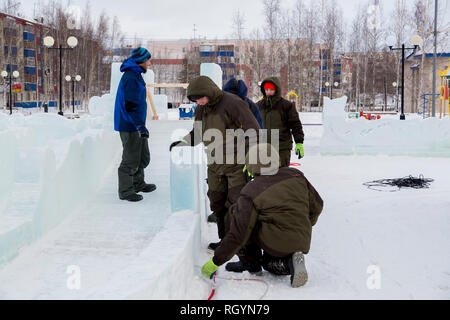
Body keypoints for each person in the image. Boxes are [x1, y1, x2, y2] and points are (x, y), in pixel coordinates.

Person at [201, 143, 323, 288]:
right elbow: (318, 205)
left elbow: (238, 234)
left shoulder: (252, 190)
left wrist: (215, 261)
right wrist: (306, 224)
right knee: (269, 259)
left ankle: (250, 262)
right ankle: (291, 261)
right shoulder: (296, 175)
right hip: (302, 238)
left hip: (276, 240)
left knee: (237, 212)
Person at [170, 76, 260, 249]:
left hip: (237, 165)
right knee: (217, 203)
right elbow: (198, 132)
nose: (199, 102)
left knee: (237, 205)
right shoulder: (201, 109)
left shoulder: (233, 103)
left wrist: (252, 162)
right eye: (195, 100)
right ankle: (225, 242)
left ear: (209, 92)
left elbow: (254, 131)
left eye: (201, 98)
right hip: (215, 165)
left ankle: (242, 246)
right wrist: (182, 142)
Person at [114, 47, 156, 202]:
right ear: (141, 61)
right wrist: (139, 125)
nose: (150, 63)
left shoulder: (136, 75)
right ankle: (125, 190)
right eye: (148, 60)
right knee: (131, 158)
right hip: (129, 124)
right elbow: (130, 104)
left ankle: (138, 183)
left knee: (142, 156)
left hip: (136, 123)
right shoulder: (131, 77)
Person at [257, 77, 305, 167]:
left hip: (282, 149)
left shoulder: (286, 106)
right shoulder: (259, 106)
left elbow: (295, 125)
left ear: (276, 90)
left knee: (281, 177)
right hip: (263, 149)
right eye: (266, 89)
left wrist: (299, 142)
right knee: (265, 178)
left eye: (271, 89)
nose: (268, 92)